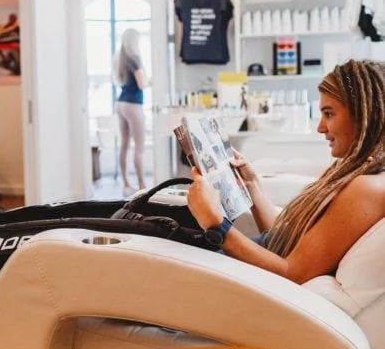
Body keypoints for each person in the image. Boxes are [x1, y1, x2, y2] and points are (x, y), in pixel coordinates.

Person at [187, 59, 385, 284]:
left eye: (329, 113)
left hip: (239, 281)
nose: (320, 127)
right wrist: (252, 186)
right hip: (239, 267)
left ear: (365, 115)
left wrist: (215, 224)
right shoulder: (357, 171)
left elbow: (293, 273)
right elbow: (284, 242)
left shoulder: (367, 190)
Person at [113, 28, 149, 197]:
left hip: (120, 103)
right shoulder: (135, 59)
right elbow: (142, 84)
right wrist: (150, 81)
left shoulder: (120, 59)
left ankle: (126, 183)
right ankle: (142, 185)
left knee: (125, 144)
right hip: (133, 104)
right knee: (139, 148)